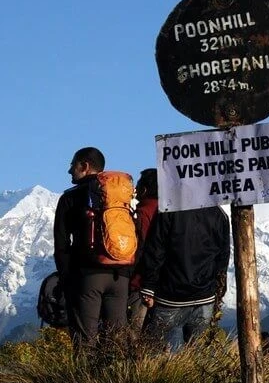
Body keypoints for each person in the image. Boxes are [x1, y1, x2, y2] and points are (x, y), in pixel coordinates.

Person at [53, 147, 131, 345]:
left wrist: (65, 278)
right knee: (116, 341)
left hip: (88, 276)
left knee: (85, 340)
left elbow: (62, 243)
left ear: (85, 166)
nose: (70, 171)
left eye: (73, 165)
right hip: (120, 275)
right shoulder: (120, 197)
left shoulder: (70, 197)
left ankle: (84, 376)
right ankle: (118, 376)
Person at [137, 204, 231, 349]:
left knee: (164, 356)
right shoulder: (219, 214)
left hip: (171, 296)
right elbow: (223, 257)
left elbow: (155, 250)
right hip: (205, 296)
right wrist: (219, 290)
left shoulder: (169, 208)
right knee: (199, 356)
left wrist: (149, 286)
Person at [127, 168, 158, 333]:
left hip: (141, 283)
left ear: (144, 190)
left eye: (138, 185)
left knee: (135, 333)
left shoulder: (143, 213)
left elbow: (142, 247)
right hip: (166, 285)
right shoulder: (169, 211)